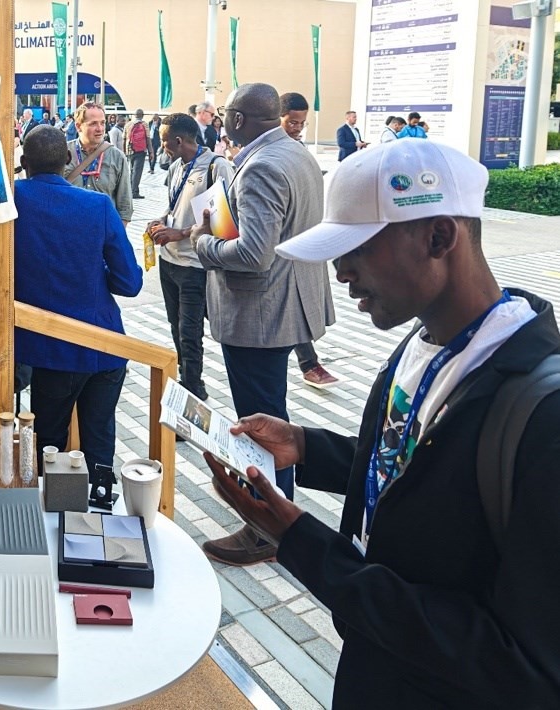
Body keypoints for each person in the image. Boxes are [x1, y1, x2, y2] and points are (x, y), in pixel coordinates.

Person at [206, 138, 560, 707]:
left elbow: (523, 662)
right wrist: (306, 446)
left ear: (438, 237)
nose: (341, 273)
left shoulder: (540, 415)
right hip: (376, 665)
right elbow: (418, 466)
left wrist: (303, 543)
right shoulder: (422, 343)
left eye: (357, 249)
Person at [193, 82, 335, 563]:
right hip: (285, 304)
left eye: (226, 114)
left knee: (261, 422)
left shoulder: (262, 166)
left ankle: (268, 528)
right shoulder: (295, 153)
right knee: (271, 413)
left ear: (237, 119)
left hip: (260, 314)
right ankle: (271, 510)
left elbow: (254, 254)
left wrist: (204, 242)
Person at [15, 126, 143, 478]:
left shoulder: (11, 200)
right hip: (104, 345)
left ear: (24, 161)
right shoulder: (97, 205)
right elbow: (130, 283)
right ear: (68, 159)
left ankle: (50, 507)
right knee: (99, 439)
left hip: (50, 349)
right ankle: (100, 498)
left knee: (48, 445)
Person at [147, 113, 235, 401]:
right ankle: (189, 378)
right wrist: (161, 221)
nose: (161, 146)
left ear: (178, 140)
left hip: (194, 264)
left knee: (190, 331)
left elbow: (221, 222)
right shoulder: (176, 166)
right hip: (169, 262)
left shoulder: (215, 166)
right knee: (176, 326)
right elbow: (175, 206)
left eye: (163, 141)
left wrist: (180, 233)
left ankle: (193, 390)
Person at [279, 92, 339, 389]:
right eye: (292, 122)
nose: (298, 128)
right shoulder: (267, 153)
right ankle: (309, 363)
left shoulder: (299, 150)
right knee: (293, 305)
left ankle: (309, 362)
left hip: (302, 238)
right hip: (276, 245)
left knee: (298, 304)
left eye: (302, 123)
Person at [65, 102, 133, 225]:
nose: (100, 129)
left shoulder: (117, 157)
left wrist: (116, 233)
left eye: (102, 123)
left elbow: (125, 206)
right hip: (68, 228)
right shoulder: (62, 153)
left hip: (103, 230)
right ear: (78, 126)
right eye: (93, 124)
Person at [123, 109, 152, 199]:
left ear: (135, 115)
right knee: (137, 171)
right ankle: (134, 192)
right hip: (140, 150)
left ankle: (129, 191)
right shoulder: (144, 124)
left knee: (131, 170)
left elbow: (124, 139)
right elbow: (148, 138)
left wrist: (124, 151)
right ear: (142, 115)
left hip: (129, 150)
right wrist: (151, 152)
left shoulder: (128, 124)